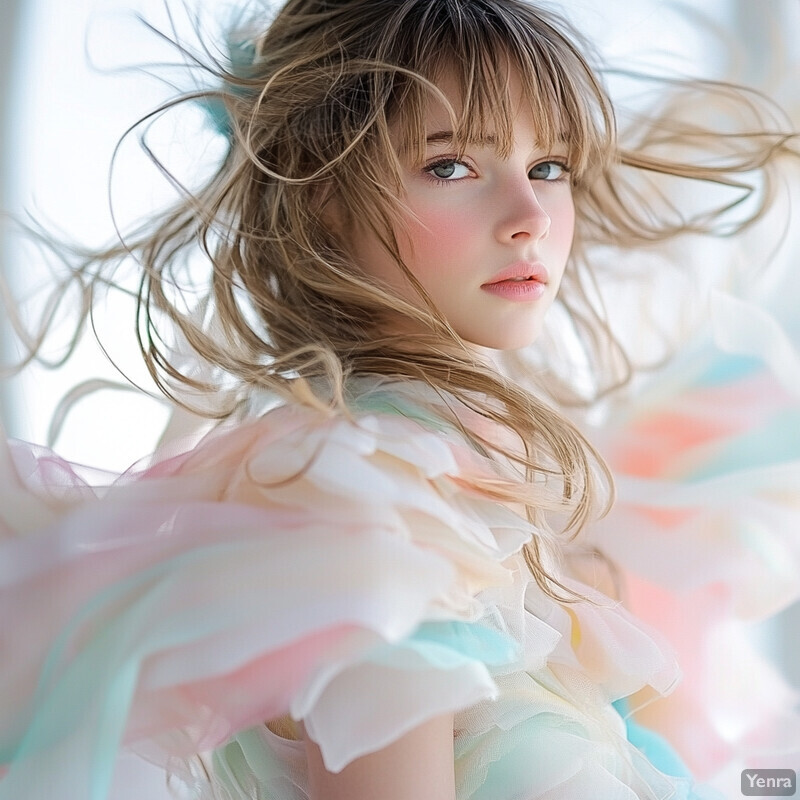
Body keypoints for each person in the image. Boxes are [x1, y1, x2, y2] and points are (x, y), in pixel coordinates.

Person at [1, 1, 799, 798]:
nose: (528, 219)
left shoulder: (488, 465)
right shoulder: (368, 488)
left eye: (548, 167)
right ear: (325, 194)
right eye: (450, 166)